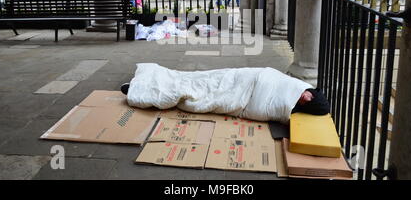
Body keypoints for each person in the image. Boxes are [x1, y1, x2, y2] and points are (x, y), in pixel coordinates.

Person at [119, 65, 330, 122]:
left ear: (307, 105)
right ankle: (149, 80)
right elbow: (271, 77)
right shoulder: (299, 85)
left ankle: (140, 90)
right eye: (309, 95)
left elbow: (261, 108)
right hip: (246, 77)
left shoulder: (289, 108)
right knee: (200, 79)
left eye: (308, 101)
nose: (305, 97)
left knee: (197, 94)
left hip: (243, 97)